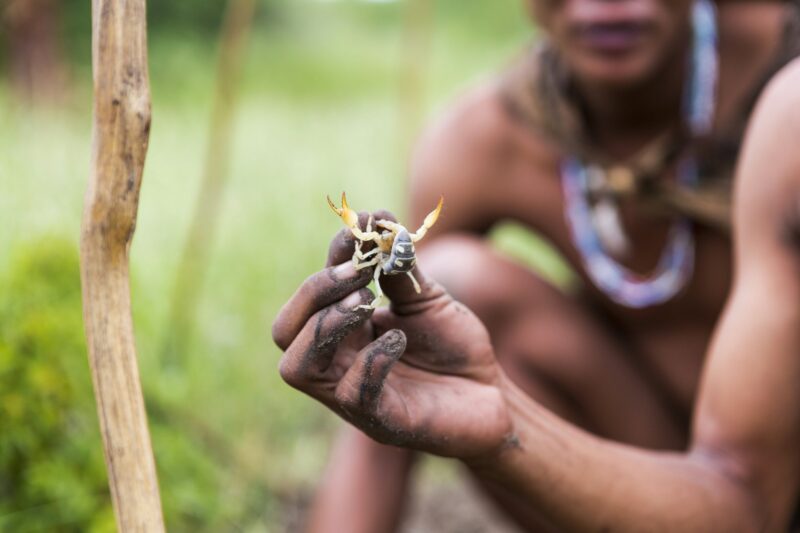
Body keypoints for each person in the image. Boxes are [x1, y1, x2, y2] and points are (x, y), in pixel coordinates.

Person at [274, 1, 800, 530]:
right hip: (669, 473)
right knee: (446, 289)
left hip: (766, 471)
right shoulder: (485, 140)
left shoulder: (785, 82)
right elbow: (396, 378)